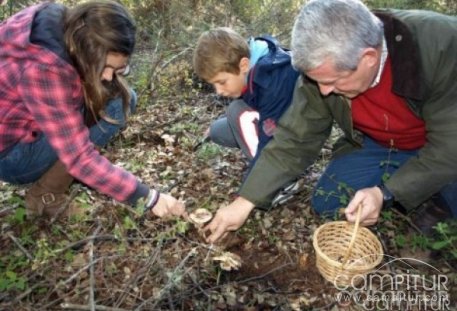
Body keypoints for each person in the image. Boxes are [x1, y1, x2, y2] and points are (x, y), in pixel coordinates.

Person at [204, 0, 457, 243]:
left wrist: (386, 193)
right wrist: (245, 201)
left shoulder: (440, 46)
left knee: (447, 184)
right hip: (380, 142)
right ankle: (415, 180)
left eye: (333, 82)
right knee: (330, 201)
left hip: (441, 142)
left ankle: (436, 197)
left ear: (368, 58)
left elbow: (449, 146)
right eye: (318, 82)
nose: (324, 91)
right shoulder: (321, 72)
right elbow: (295, 139)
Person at [0, 1, 186, 219]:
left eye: (118, 68)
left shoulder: (63, 23)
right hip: (11, 155)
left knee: (122, 98)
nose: (108, 76)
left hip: (26, 123)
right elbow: (78, 156)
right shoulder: (45, 69)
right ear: (88, 51)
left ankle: (69, 177)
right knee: (111, 113)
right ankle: (45, 196)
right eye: (105, 67)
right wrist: (148, 197)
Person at [193, 27, 300, 208]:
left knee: (237, 112)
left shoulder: (273, 81)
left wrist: (248, 195)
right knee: (219, 130)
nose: (218, 91)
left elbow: (270, 139)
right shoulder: (253, 64)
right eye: (213, 84)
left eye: (221, 82)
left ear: (243, 65)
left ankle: (283, 183)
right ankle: (264, 172)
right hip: (274, 121)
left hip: (296, 136)